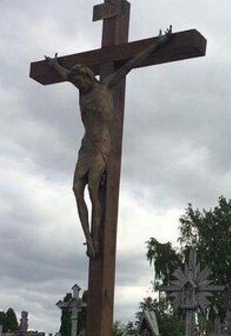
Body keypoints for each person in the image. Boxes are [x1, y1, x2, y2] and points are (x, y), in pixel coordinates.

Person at [45, 28, 172, 257]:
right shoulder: (79, 88)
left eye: (80, 84)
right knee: (76, 189)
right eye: (75, 85)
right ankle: (88, 238)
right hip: (86, 146)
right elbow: (64, 73)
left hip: (102, 145)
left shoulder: (106, 86)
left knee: (94, 190)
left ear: (87, 77)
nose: (78, 88)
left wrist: (157, 44)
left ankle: (95, 238)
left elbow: (130, 64)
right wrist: (54, 65)